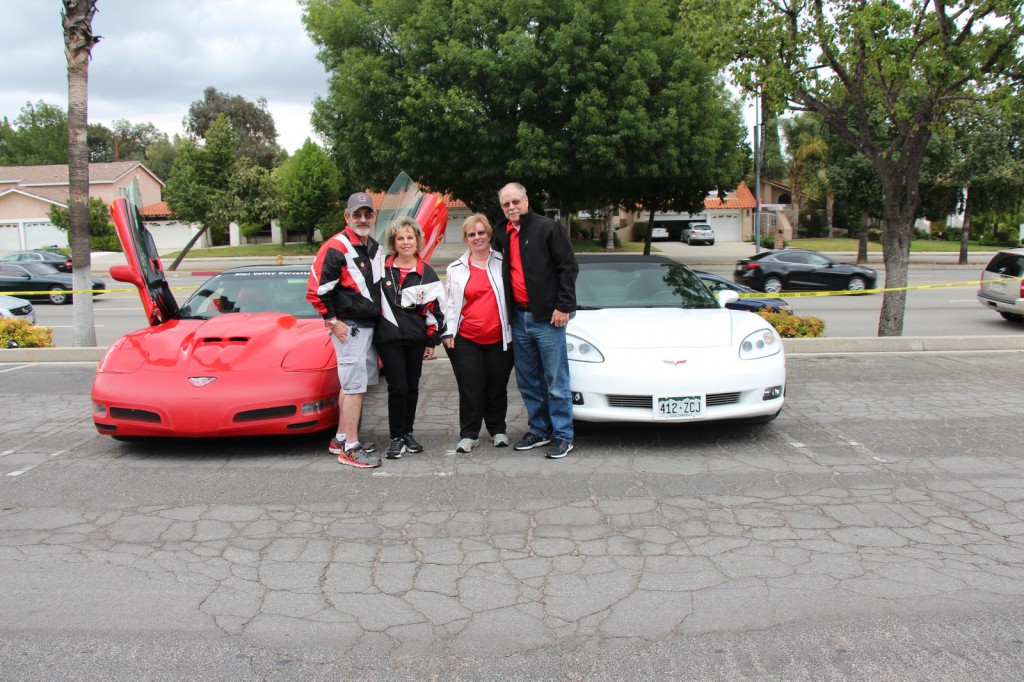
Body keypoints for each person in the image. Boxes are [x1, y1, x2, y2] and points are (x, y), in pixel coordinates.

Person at [493, 182, 578, 459]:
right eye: (506, 204)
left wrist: (563, 306)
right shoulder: (501, 232)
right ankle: (539, 429)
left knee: (556, 381)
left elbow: (568, 267)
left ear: (526, 200)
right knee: (528, 381)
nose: (511, 207)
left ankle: (563, 435)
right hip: (518, 318)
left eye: (515, 201)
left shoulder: (548, 228)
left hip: (548, 318)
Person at [307, 192, 384, 468]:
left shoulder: (372, 246)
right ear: (346, 216)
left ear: (373, 216)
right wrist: (332, 321)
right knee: (354, 387)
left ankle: (341, 438)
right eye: (357, 214)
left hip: (366, 326)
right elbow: (316, 291)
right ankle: (350, 448)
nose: (362, 219)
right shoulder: (336, 246)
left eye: (367, 214)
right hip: (349, 328)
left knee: (351, 385)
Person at [442, 214, 515, 454]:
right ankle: (469, 434)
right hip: (466, 339)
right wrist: (447, 332)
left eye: (481, 232)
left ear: (489, 234)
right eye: (472, 234)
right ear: (466, 238)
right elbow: (449, 304)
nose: (477, 237)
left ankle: (498, 430)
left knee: (497, 387)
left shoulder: (503, 261)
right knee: (470, 388)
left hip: (500, 339)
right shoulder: (455, 268)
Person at [375, 216, 446, 460]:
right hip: (389, 337)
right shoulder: (381, 267)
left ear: (417, 241)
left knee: (412, 387)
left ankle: (407, 433)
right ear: (393, 242)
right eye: (400, 238)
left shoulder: (426, 272)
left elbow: (436, 310)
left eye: (410, 238)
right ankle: (396, 437)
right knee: (398, 387)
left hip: (415, 338)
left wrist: (431, 340)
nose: (405, 242)